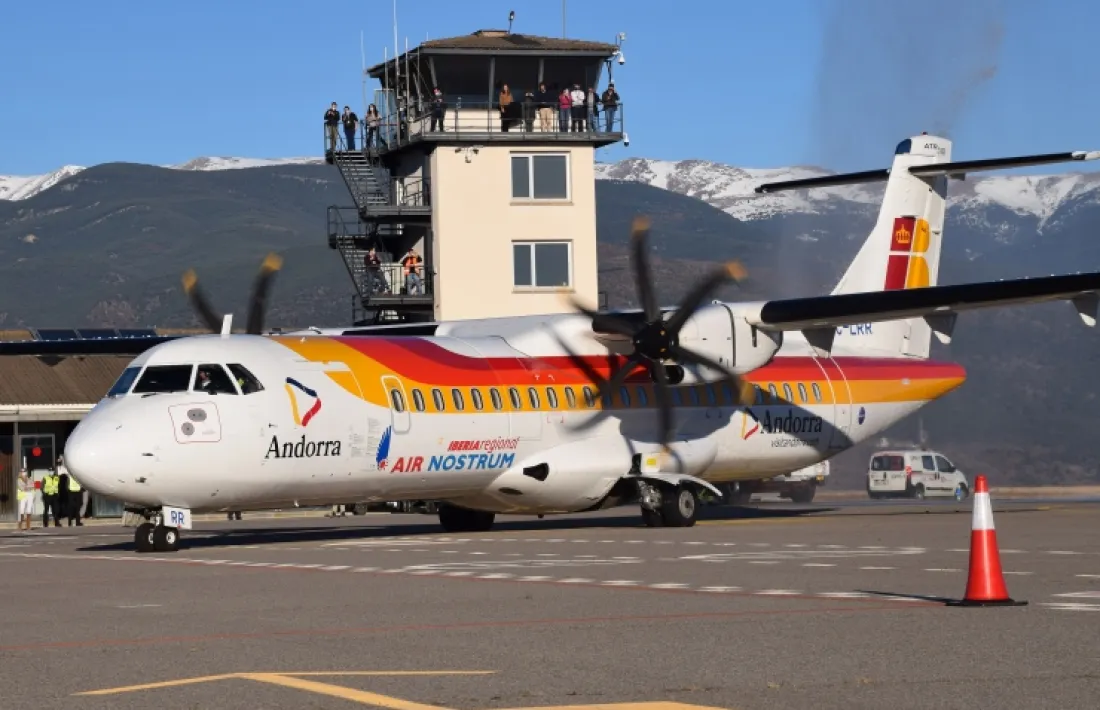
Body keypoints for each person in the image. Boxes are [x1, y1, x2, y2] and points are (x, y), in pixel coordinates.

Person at [65, 461, 84, 527]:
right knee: (75, 508)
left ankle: (73, 522)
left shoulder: (70, 476)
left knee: (75, 508)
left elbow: (67, 485)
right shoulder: (75, 476)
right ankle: (75, 522)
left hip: (74, 492)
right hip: (74, 492)